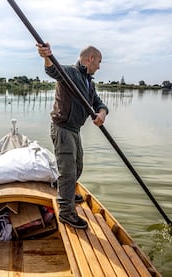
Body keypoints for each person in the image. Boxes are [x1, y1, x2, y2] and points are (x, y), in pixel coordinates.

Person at [37, 43, 108, 229]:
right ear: (90, 58)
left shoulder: (88, 83)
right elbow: (52, 70)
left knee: (77, 166)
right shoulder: (70, 72)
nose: (99, 67)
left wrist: (102, 113)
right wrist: (46, 56)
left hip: (75, 129)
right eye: (99, 62)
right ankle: (67, 213)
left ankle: (67, 193)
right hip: (63, 128)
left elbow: (99, 103)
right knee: (67, 171)